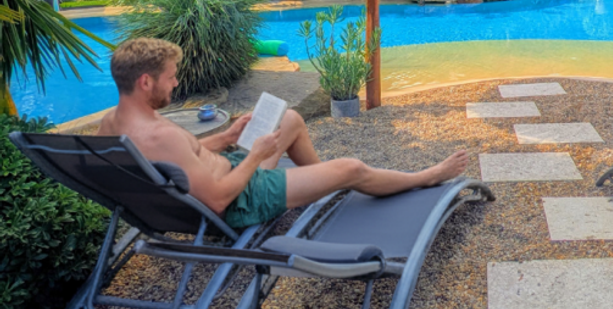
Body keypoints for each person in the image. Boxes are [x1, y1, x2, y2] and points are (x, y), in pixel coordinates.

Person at [98, 38, 469, 229]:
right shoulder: (161, 135)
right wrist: (257, 156)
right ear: (145, 81)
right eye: (170, 77)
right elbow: (217, 200)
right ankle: (425, 177)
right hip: (243, 198)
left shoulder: (112, 126)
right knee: (352, 167)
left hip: (229, 172)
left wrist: (225, 139)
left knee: (289, 119)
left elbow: (180, 159)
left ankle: (320, 183)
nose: (176, 83)